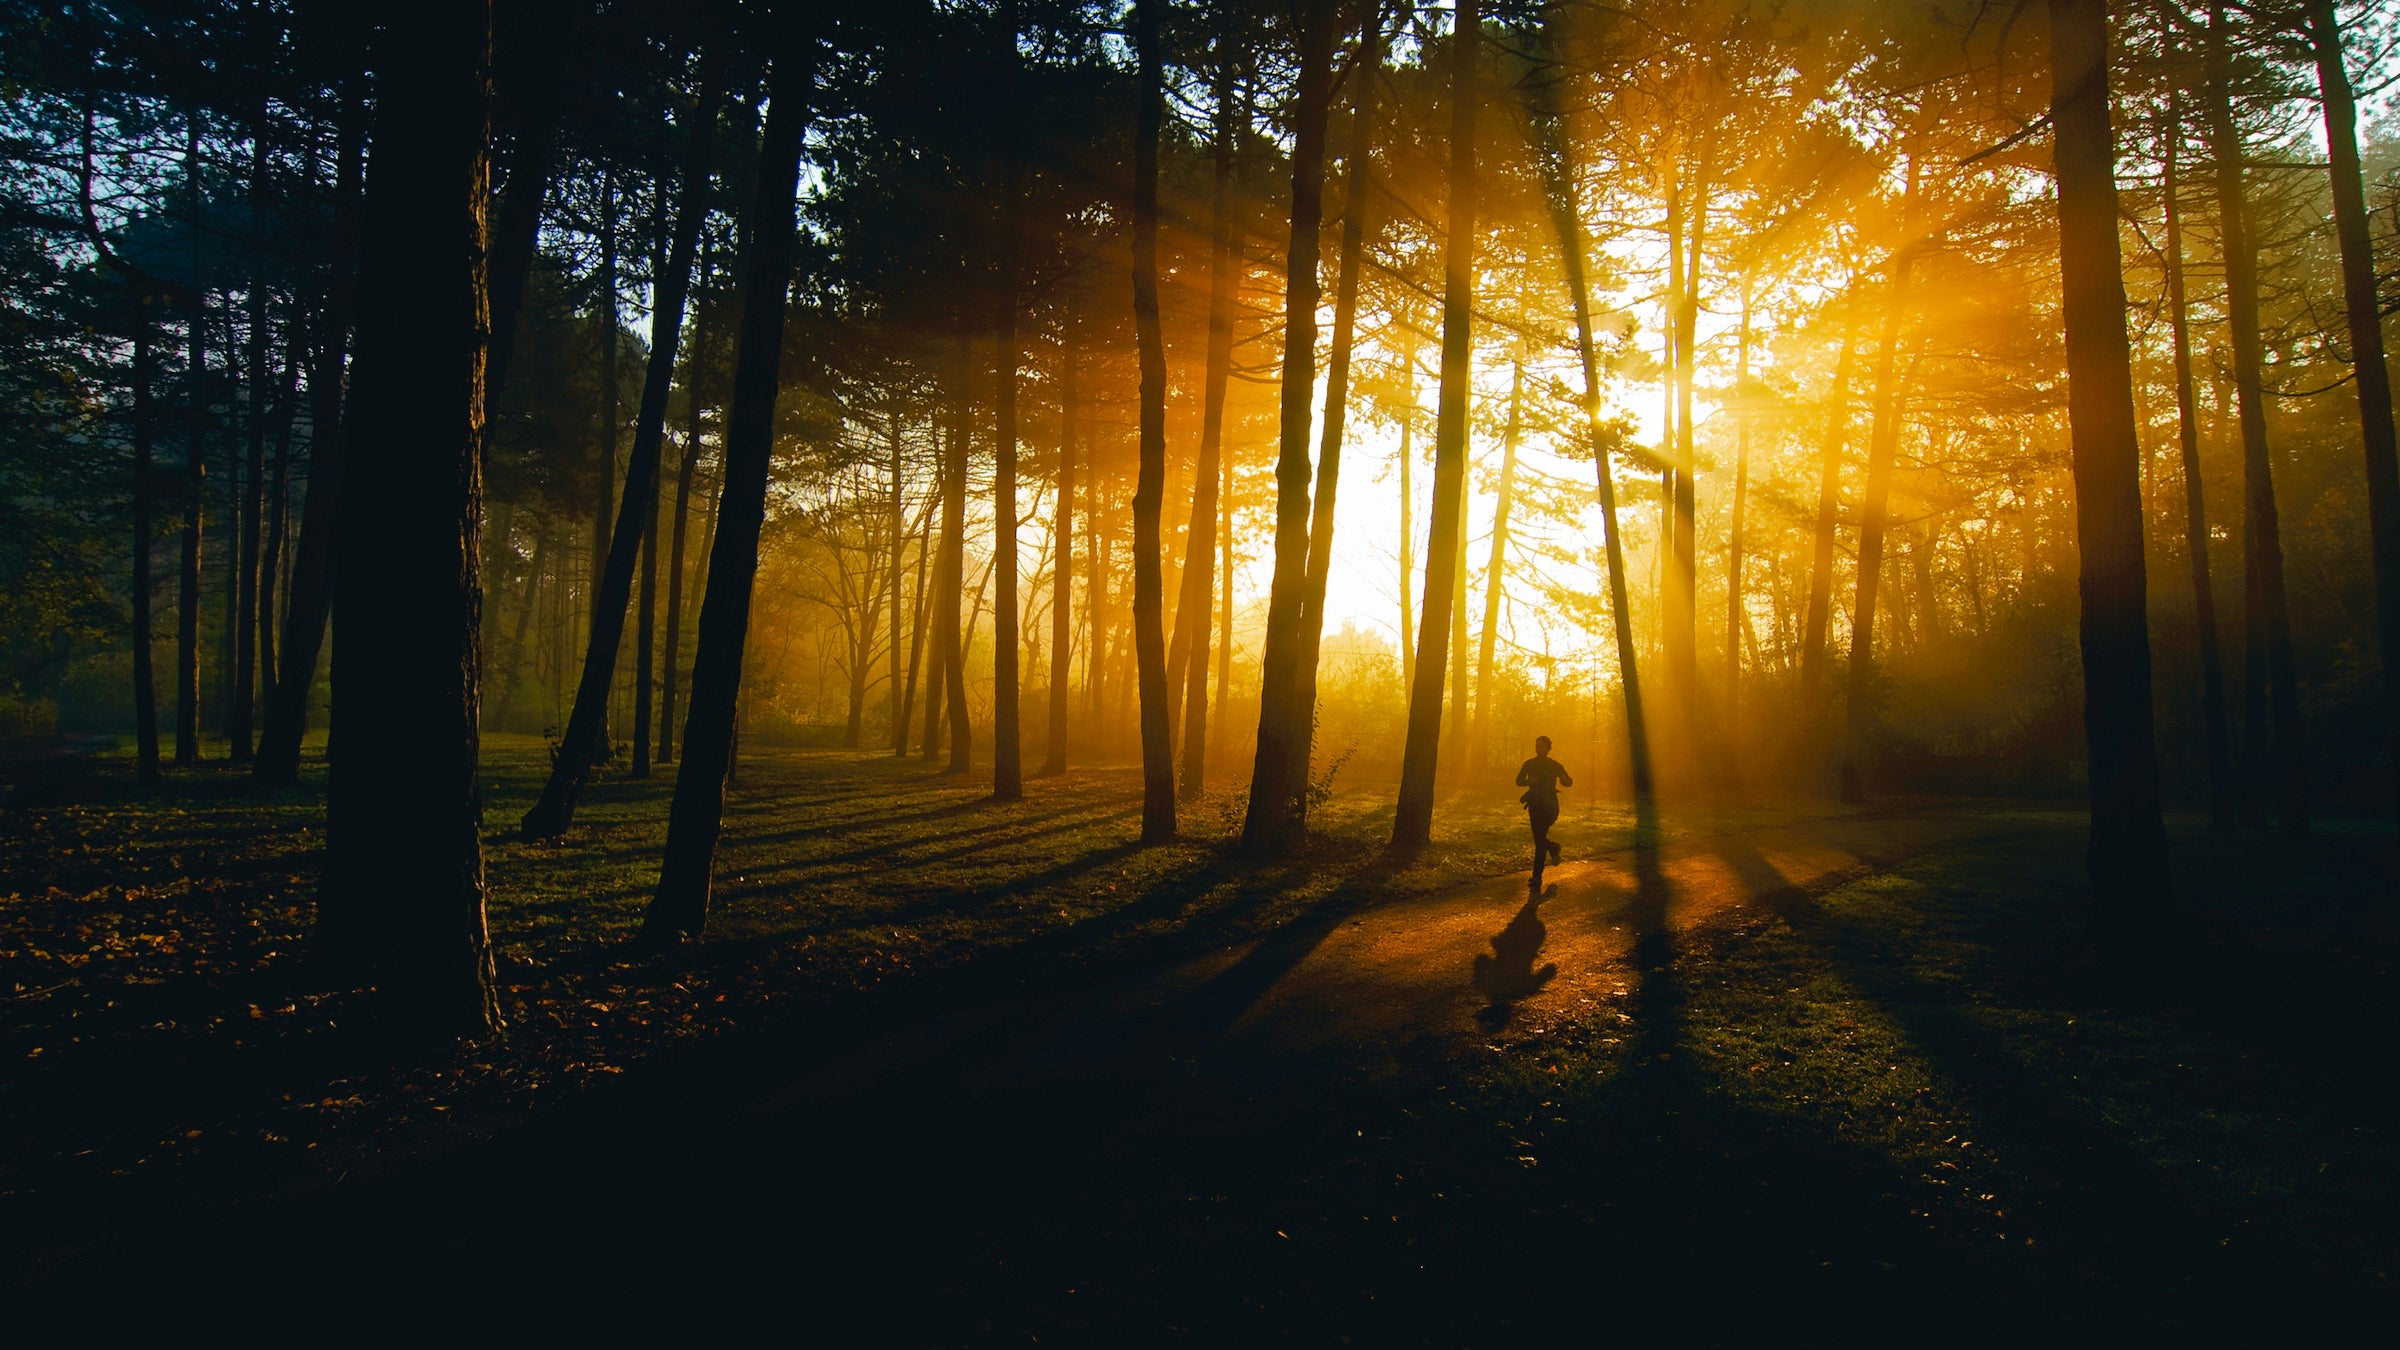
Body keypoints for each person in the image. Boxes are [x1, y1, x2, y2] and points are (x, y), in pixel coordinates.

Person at [1516, 735, 1571, 874]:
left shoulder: (1555, 765)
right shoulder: (1529, 764)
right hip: (1534, 805)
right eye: (1536, 745)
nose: (1538, 748)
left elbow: (1569, 782)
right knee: (1539, 839)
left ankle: (1537, 876)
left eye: (1541, 746)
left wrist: (1565, 780)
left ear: (1548, 748)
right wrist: (1530, 781)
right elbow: (1518, 781)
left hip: (1550, 805)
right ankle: (1553, 848)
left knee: (1539, 840)